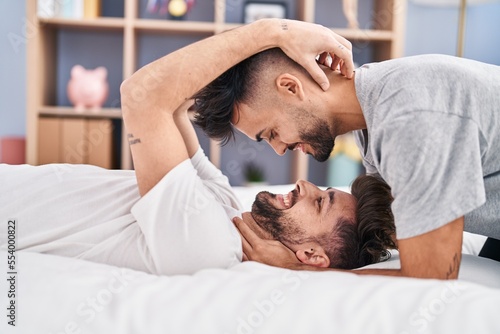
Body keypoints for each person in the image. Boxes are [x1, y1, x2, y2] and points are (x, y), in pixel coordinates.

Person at [0, 19, 397, 274]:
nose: (305, 186)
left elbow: (141, 95)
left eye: (320, 203)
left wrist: (271, 32)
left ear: (311, 255)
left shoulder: (210, 247)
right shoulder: (227, 212)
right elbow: (174, 102)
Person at [191, 21, 500, 279]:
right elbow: (397, 228)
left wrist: (296, 268)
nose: (280, 149)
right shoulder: (375, 119)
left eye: (271, 132)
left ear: (290, 88)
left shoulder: (408, 117)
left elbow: (432, 276)